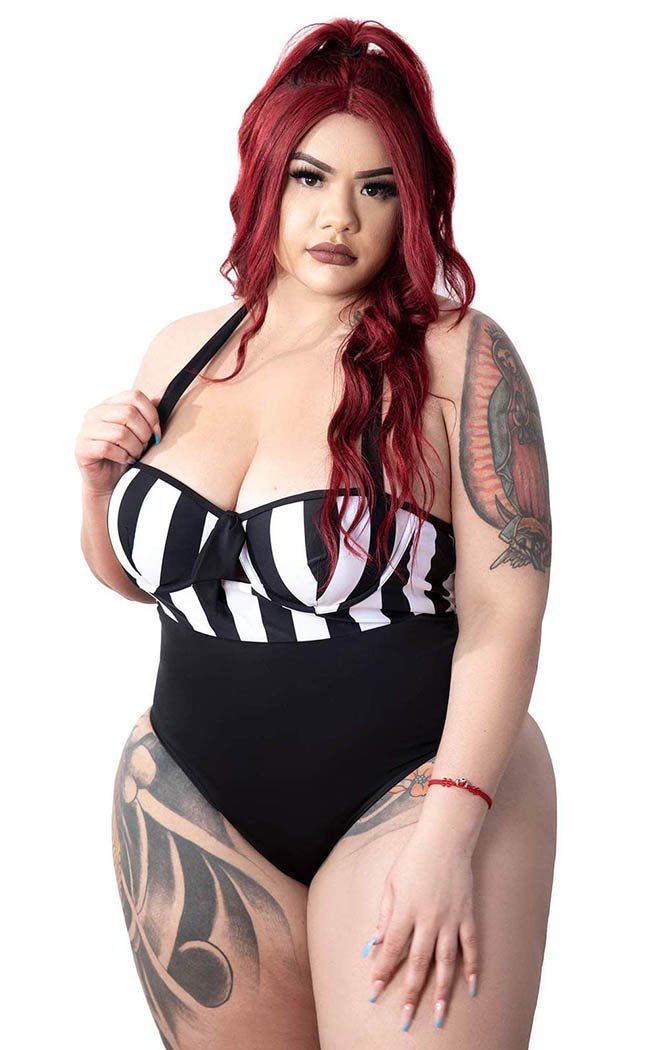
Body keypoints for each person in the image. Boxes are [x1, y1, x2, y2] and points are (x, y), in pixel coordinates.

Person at [76, 18, 556, 1049]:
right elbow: (141, 580)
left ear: (413, 203)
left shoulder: (457, 357)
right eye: (309, 177)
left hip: (414, 791)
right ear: (265, 178)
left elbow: (505, 613)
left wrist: (448, 834)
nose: (338, 215)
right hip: (190, 803)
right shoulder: (184, 347)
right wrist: (96, 487)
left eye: (376, 188)